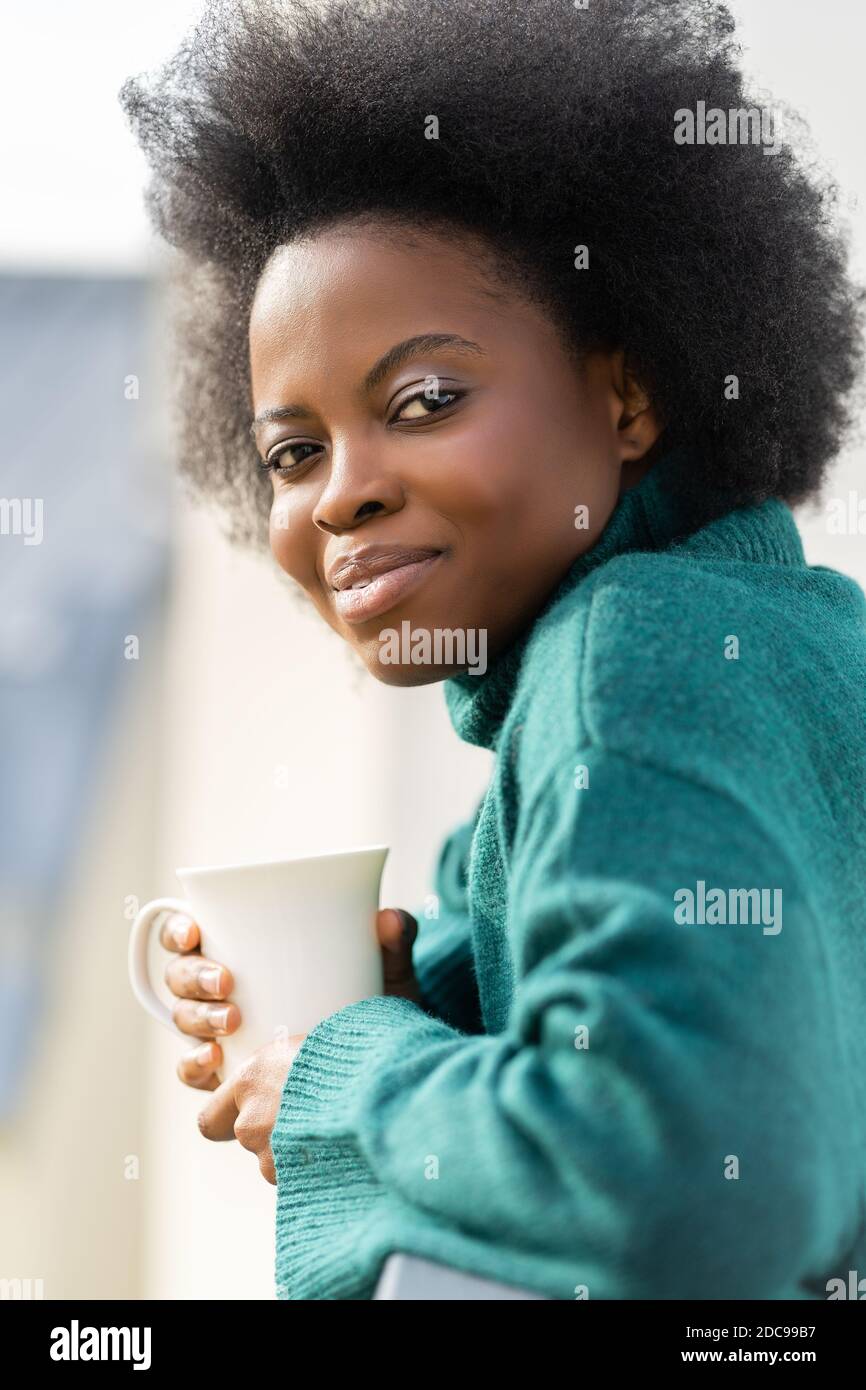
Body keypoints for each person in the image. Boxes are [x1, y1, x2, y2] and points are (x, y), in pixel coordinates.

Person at [120, 0, 866, 1299]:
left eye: (423, 401)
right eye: (291, 453)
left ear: (625, 394)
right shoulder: (775, 632)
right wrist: (418, 1004)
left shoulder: (632, 655)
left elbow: (690, 1180)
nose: (341, 493)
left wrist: (341, 1075)